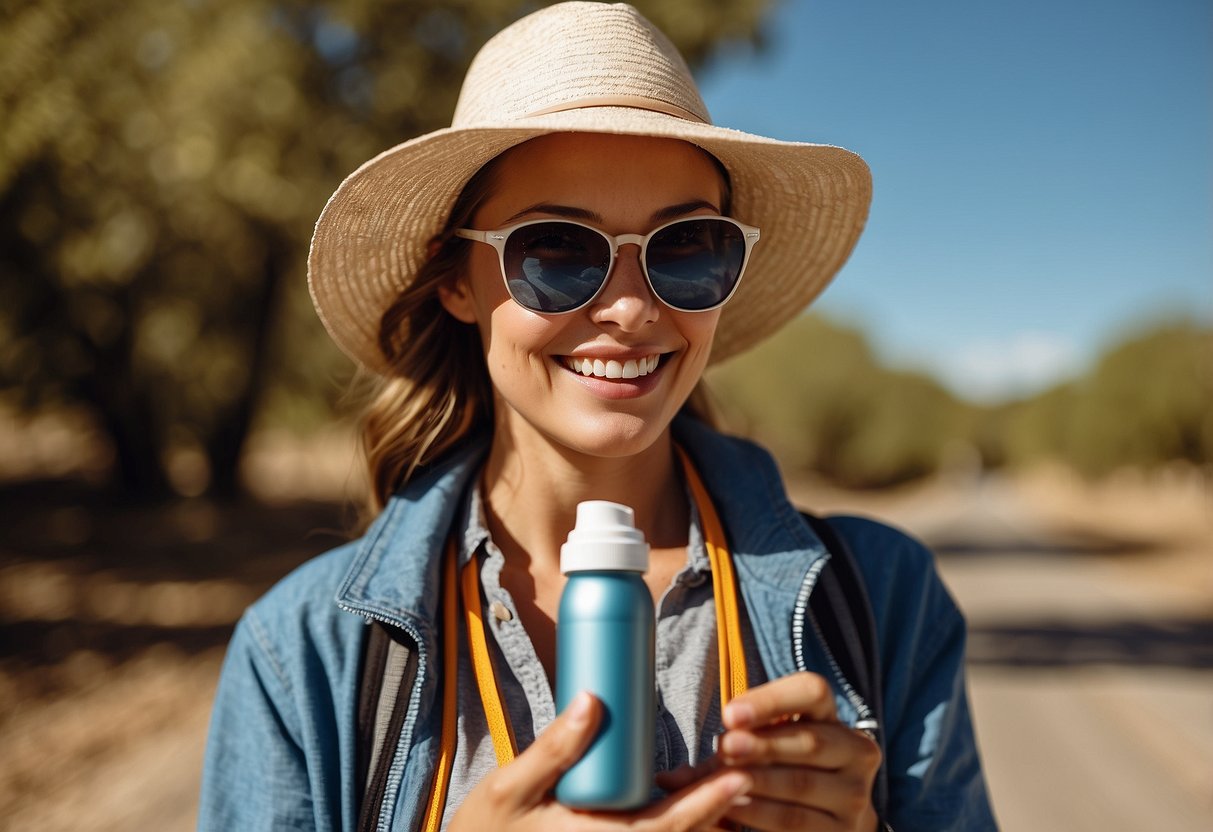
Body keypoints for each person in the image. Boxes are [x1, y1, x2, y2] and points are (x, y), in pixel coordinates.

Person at [199, 3, 997, 830]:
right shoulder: (299, 653)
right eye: (556, 250)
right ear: (456, 281)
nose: (628, 308)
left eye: (685, 248)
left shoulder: (885, 602)